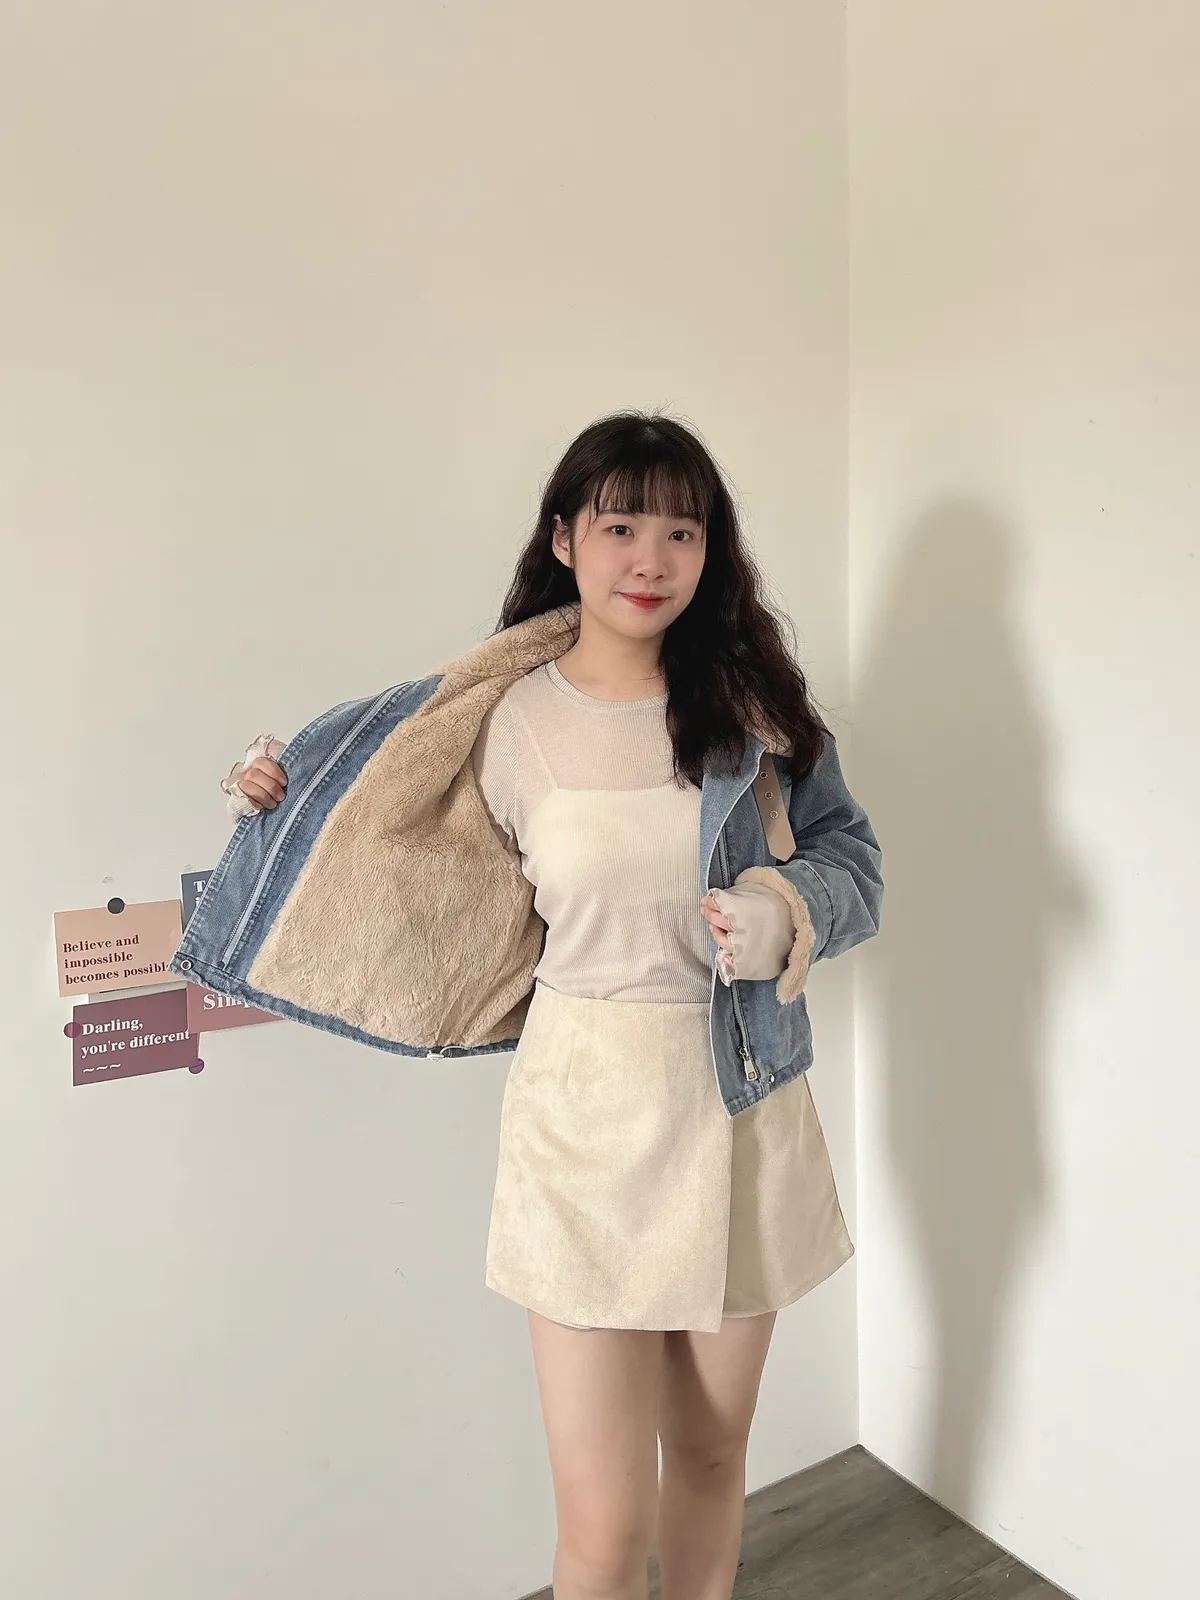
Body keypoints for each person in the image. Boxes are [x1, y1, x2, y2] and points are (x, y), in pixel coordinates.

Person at [214, 410, 883, 1600]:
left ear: (711, 549)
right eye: (621, 526)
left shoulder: (753, 709)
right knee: (602, 1527)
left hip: (741, 1106)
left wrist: (788, 905)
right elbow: (389, 867)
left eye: (681, 531)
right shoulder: (501, 720)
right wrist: (282, 804)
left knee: (713, 1457)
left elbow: (853, 860)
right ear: (565, 538)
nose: (651, 558)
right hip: (584, 1130)